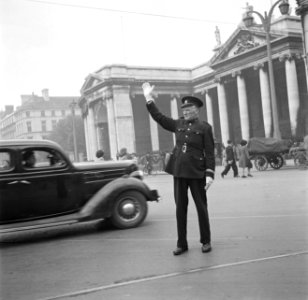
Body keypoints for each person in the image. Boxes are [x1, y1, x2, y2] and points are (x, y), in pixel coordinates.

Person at [142, 82, 215, 255]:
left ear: (197, 110)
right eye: (184, 109)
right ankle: (182, 244)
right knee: (180, 209)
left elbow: (210, 152)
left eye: (189, 109)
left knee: (201, 208)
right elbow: (159, 117)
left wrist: (210, 174)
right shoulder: (178, 124)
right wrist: (148, 98)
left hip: (197, 172)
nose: (186, 112)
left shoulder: (205, 128)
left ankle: (206, 241)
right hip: (180, 172)